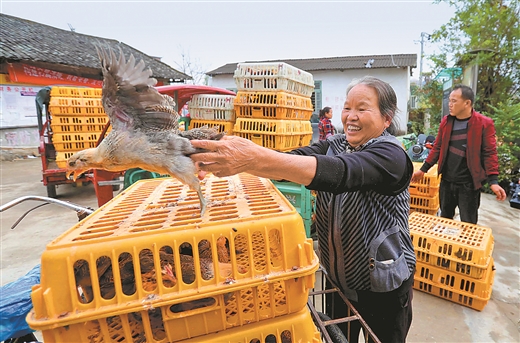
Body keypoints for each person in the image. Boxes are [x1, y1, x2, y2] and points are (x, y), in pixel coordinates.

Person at [191, 76, 416, 343]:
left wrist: (253, 157)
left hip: (382, 283)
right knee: (337, 338)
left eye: (362, 108)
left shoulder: (392, 155)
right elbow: (292, 162)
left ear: (387, 119)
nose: (351, 116)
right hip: (337, 280)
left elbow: (341, 174)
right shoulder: (336, 144)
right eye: (347, 108)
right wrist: (234, 157)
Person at [411, 84, 506, 224]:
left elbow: (489, 153)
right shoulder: (446, 121)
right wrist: (423, 169)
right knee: (445, 219)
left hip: (469, 184)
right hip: (447, 182)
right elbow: (437, 147)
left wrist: (493, 181)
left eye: (454, 101)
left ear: (467, 103)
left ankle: (465, 247)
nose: (450, 104)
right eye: (449, 100)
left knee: (468, 222)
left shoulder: (484, 124)